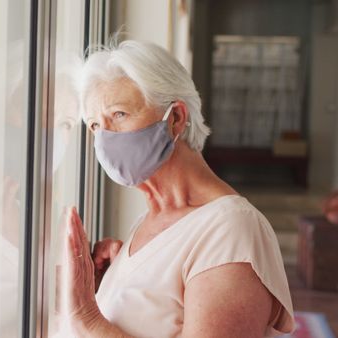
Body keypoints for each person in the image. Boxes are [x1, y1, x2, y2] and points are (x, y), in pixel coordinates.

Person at [62, 40, 295, 337]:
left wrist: (85, 317)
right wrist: (106, 285)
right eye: (95, 125)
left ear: (175, 118)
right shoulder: (148, 221)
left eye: (119, 114)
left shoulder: (232, 230)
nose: (104, 138)